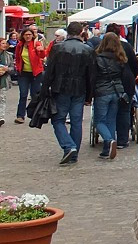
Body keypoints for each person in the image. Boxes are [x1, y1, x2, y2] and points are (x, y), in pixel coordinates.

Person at [41, 21, 95, 164]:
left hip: (61, 88)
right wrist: (90, 95)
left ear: (68, 32)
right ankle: (73, 152)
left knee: (58, 119)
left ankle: (69, 146)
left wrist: (44, 89)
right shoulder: (87, 50)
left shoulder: (58, 48)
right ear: (80, 33)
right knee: (76, 121)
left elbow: (49, 71)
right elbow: (91, 75)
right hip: (80, 88)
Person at [91, 33, 130, 159]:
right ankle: (107, 148)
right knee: (111, 120)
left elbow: (93, 77)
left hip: (102, 91)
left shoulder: (97, 57)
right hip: (117, 92)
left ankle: (108, 140)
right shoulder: (120, 58)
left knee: (99, 121)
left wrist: (90, 93)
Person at [105, 23, 138, 149]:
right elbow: (135, 65)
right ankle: (122, 140)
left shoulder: (101, 49)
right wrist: (134, 75)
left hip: (108, 83)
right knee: (124, 111)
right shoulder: (126, 46)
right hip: (126, 81)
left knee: (109, 111)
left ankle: (109, 139)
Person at [12, 26, 45, 124]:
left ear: (32, 35)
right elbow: (17, 57)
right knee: (23, 94)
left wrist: (41, 50)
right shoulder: (20, 45)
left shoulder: (36, 43)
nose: (28, 36)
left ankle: (35, 115)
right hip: (24, 73)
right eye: (26, 35)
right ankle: (20, 116)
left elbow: (42, 56)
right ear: (23, 35)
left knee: (35, 95)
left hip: (36, 73)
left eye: (29, 34)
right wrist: (18, 67)